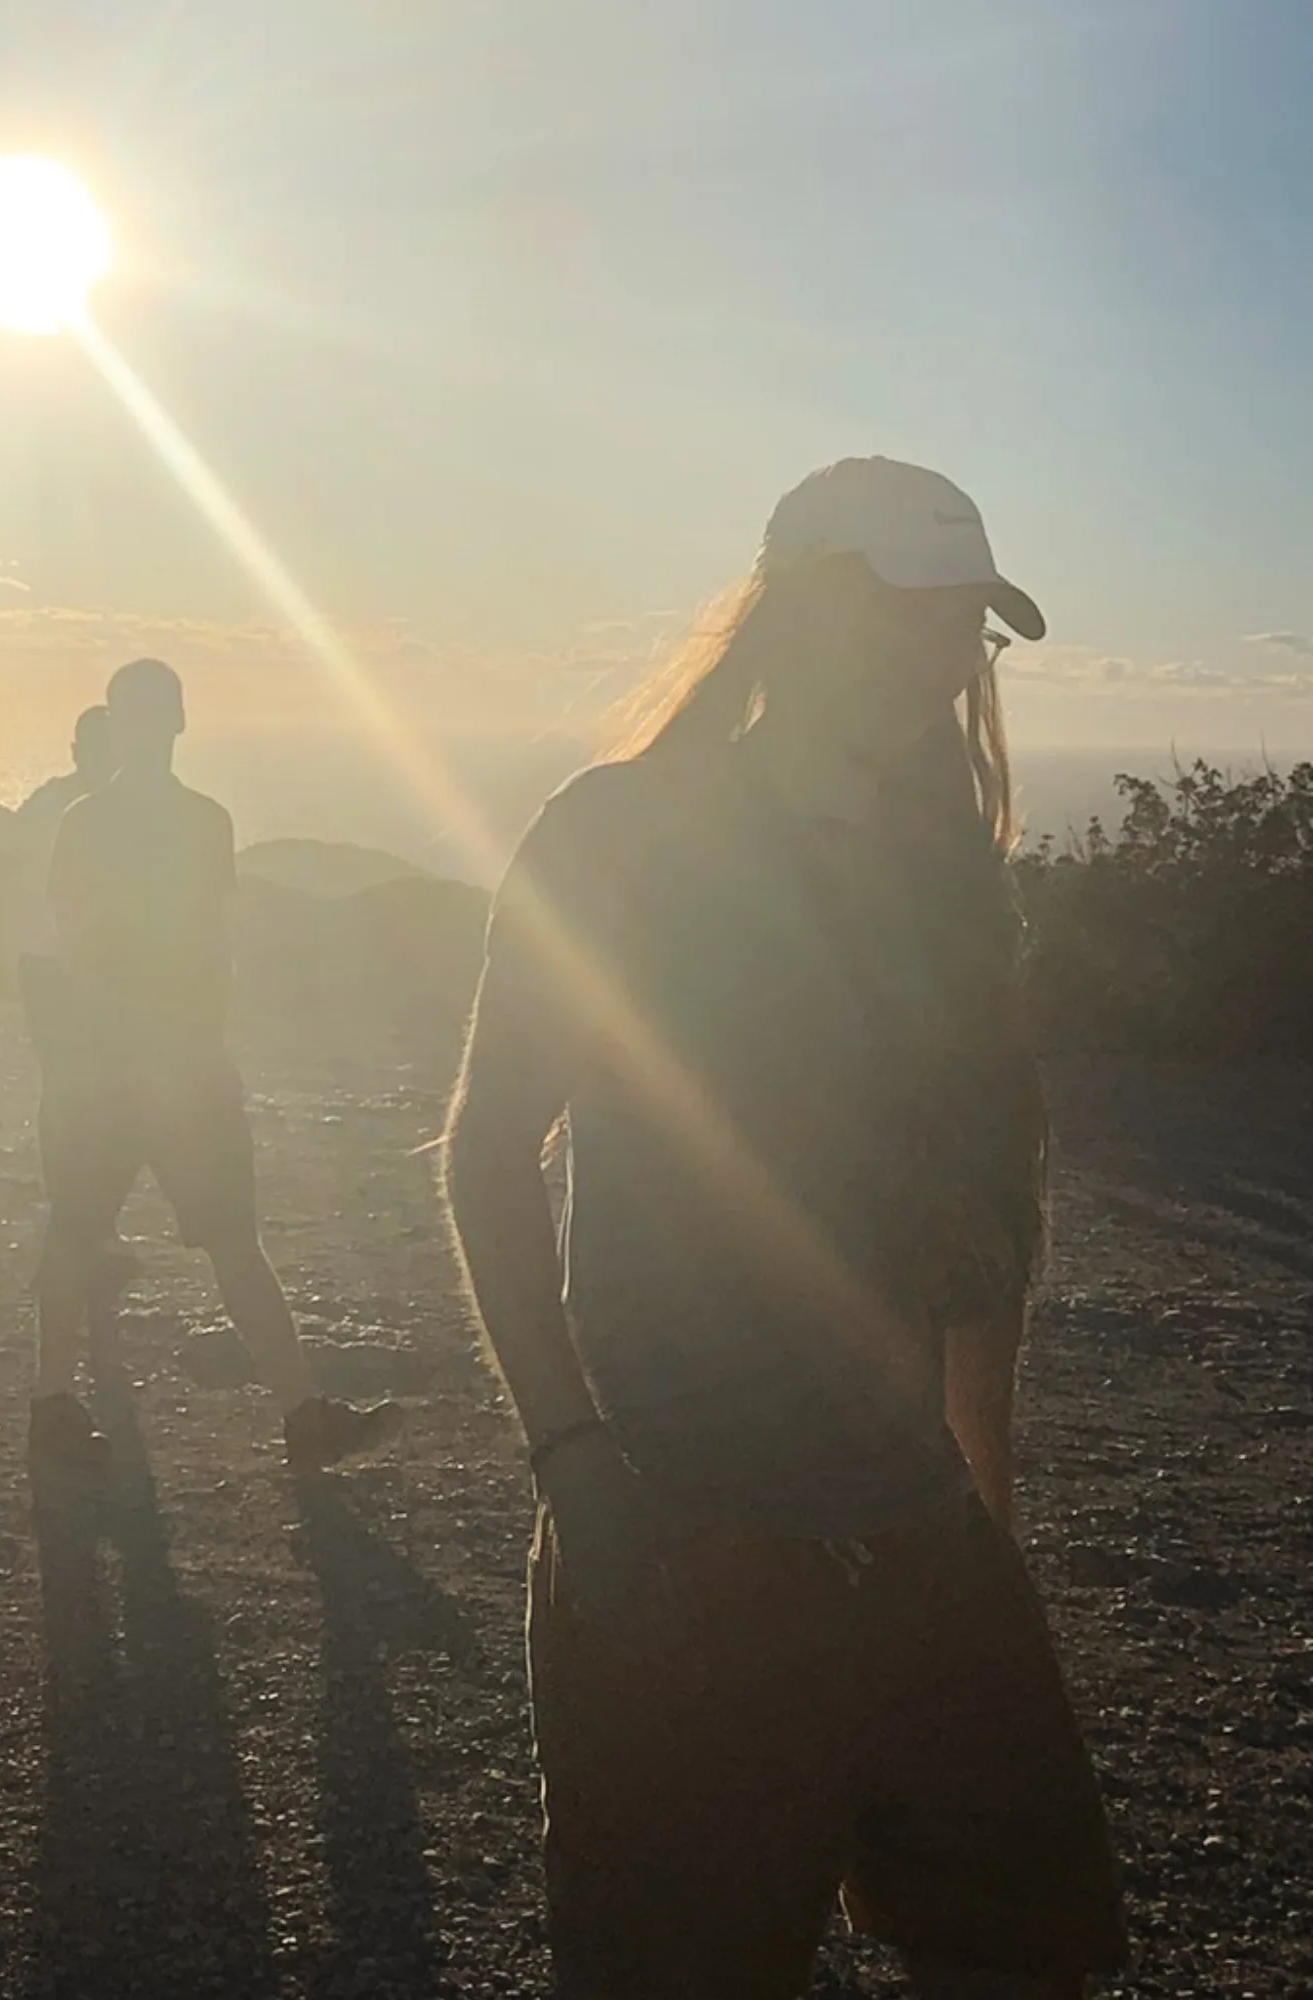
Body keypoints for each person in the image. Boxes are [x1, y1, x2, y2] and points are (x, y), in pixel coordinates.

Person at [442, 458, 1124, 1997]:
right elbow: (488, 1150)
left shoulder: (943, 872)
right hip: (687, 1539)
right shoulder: (617, 838)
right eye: (917, 618)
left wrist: (980, 1519)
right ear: (797, 613)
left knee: (1031, 1954)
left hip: (917, 1533)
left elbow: (975, 1236)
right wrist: (575, 1469)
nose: (951, 661)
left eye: (971, 629)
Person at [36, 657, 394, 1486]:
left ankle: (51, 1407)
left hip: (106, 1067)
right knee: (230, 1240)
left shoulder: (85, 824)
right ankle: (303, 1416)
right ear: (179, 722)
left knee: (77, 1231)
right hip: (183, 1065)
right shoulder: (206, 823)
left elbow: (73, 939)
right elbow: (211, 940)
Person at [0, 706, 145, 1473]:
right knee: (89, 1097)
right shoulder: (99, 813)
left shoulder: (50, 804)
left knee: (73, 1091)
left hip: (44, 970)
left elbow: (5, 876)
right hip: (73, 974)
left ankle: (84, 1227)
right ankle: (80, 1226)